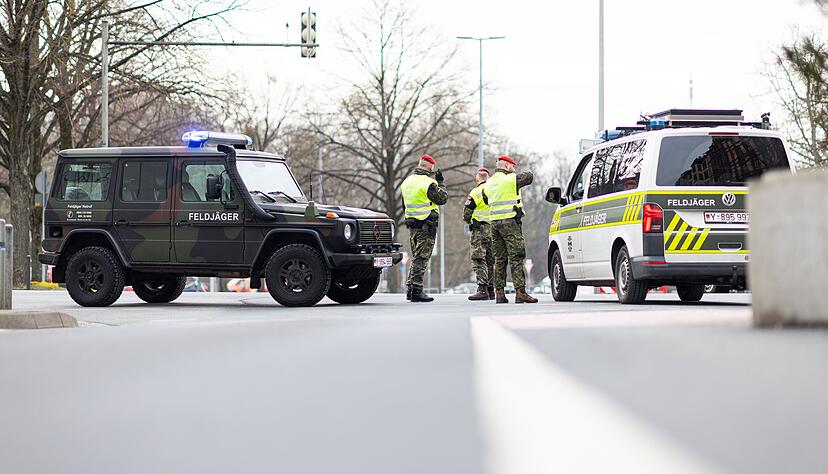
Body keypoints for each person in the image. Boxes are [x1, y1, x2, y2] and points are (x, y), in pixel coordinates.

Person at [483, 155, 538, 304]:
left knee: (499, 259)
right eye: (513, 166)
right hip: (510, 222)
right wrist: (513, 173)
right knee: (516, 257)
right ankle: (520, 293)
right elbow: (529, 176)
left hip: (494, 224)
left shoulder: (488, 183)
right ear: (507, 166)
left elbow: (486, 200)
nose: (514, 169)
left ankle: (499, 294)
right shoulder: (510, 179)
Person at [401, 154, 448, 302]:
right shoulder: (428, 183)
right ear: (431, 168)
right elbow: (442, 199)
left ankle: (410, 290)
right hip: (426, 224)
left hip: (412, 224)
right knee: (422, 258)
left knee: (416, 256)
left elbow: (404, 204)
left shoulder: (407, 182)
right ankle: (417, 290)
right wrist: (441, 183)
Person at [463, 168, 495, 301]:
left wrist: (469, 221)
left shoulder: (476, 192)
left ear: (478, 179)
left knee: (478, 258)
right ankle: (491, 290)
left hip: (480, 230)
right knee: (490, 260)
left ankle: (482, 289)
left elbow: (467, 213)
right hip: (495, 230)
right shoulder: (495, 190)